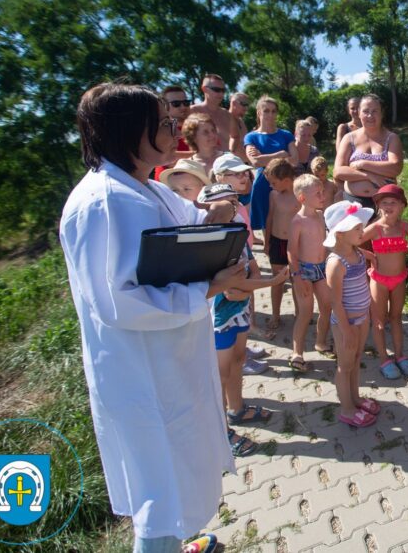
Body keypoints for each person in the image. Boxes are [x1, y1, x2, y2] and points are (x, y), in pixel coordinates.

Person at [59, 82, 258, 553]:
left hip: (173, 360)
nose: (175, 130)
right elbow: (117, 302)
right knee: (157, 489)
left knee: (175, 475)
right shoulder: (102, 203)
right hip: (141, 374)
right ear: (130, 131)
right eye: (164, 123)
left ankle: (175, 542)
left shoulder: (145, 187)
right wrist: (207, 288)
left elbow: (184, 223)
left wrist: (214, 214)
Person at [197, 184, 289, 456]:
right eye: (228, 203)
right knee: (220, 374)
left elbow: (250, 269)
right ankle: (220, 431)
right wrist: (271, 281)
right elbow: (231, 288)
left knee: (238, 361)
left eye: (235, 202)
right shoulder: (208, 242)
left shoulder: (237, 233)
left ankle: (236, 409)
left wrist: (255, 279)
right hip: (220, 319)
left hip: (239, 312)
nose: (234, 207)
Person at [323, 200, 381, 428]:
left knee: (357, 358)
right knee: (345, 364)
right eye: (357, 229)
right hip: (345, 322)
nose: (362, 231)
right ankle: (346, 409)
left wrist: (371, 256)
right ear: (339, 234)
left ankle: (355, 398)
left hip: (362, 316)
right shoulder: (336, 263)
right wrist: (346, 330)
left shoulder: (355, 251)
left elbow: (363, 253)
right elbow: (335, 302)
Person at [362, 184, 408, 380]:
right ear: (378, 206)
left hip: (399, 279)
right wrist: (369, 255)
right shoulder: (375, 228)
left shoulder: (404, 227)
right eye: (384, 202)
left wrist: (403, 251)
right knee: (378, 322)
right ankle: (384, 359)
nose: (388, 206)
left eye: (393, 202)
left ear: (402, 206)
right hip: (378, 280)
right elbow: (352, 243)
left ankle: (400, 355)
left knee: (395, 318)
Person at [288, 174, 335, 363]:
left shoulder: (322, 216)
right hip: (304, 270)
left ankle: (320, 342)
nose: (323, 196)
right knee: (305, 312)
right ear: (302, 198)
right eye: (318, 193)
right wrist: (296, 276)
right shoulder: (297, 221)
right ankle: (297, 352)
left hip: (322, 268)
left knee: (326, 307)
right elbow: (291, 250)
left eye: (323, 192)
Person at [333, 94, 402, 209]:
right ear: (359, 113)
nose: (370, 115)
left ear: (382, 113)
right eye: (366, 111)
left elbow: (395, 167)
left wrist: (363, 164)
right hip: (354, 203)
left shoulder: (392, 138)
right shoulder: (349, 138)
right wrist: (368, 176)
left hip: (386, 204)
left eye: (375, 111)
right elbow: (338, 172)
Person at [244, 96, 296, 234]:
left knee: (287, 223)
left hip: (286, 184)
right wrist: (280, 155)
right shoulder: (251, 137)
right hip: (263, 184)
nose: (270, 114)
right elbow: (255, 162)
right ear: (259, 113)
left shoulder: (286, 134)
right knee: (267, 226)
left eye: (274, 111)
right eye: (266, 111)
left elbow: (295, 160)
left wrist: (264, 157)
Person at [263, 157, 299, 341]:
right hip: (277, 241)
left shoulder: (300, 194)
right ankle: (276, 314)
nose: (271, 186)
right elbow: (270, 217)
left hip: (295, 244)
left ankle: (299, 313)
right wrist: (267, 241)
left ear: (286, 180)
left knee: (296, 280)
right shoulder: (274, 195)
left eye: (273, 182)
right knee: (277, 280)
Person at [151, 85, 194, 181]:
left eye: (186, 103)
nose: (183, 107)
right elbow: (167, 158)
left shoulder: (199, 129)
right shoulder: (159, 129)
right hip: (167, 188)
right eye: (176, 104)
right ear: (164, 106)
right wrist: (200, 156)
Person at [190, 73, 234, 149]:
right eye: (216, 90)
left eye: (223, 90)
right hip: (201, 160)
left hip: (226, 159)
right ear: (204, 89)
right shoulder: (192, 111)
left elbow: (235, 136)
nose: (221, 93)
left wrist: (231, 151)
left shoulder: (227, 115)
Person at [228, 92, 251, 161]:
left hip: (245, 165)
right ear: (233, 103)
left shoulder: (241, 121)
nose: (246, 108)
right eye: (244, 104)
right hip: (231, 166)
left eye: (247, 105)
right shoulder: (224, 120)